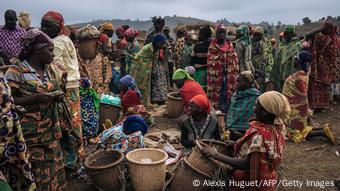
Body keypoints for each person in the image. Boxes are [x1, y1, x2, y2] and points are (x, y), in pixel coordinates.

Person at [6, 29, 66, 191]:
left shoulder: (50, 69)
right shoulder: (16, 71)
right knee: (36, 173)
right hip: (30, 136)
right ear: (37, 50)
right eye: (50, 51)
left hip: (51, 131)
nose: (52, 55)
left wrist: (58, 96)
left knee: (53, 170)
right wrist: (34, 99)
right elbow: (6, 102)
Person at [202, 91, 291, 191]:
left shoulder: (259, 136)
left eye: (255, 106)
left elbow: (245, 164)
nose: (253, 109)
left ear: (264, 112)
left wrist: (215, 155)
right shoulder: (277, 129)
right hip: (268, 180)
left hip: (248, 182)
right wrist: (236, 144)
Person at [41, 11, 83, 171]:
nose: (43, 29)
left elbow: (57, 70)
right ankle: (77, 156)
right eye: (42, 25)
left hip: (65, 87)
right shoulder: (65, 39)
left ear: (57, 27)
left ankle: (70, 161)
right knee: (74, 121)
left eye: (47, 26)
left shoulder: (55, 43)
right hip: (73, 85)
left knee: (66, 124)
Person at [282, 50, 335, 143]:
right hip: (296, 109)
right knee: (296, 130)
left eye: (296, 60)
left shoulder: (297, 77)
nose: (294, 62)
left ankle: (322, 132)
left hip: (295, 111)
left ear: (299, 62)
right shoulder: (303, 75)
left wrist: (305, 112)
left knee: (294, 134)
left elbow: (302, 96)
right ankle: (323, 129)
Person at [207, 24, 238, 113]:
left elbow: (235, 61)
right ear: (216, 34)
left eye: (223, 33)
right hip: (216, 79)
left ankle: (227, 115)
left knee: (228, 97)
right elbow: (210, 62)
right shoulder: (212, 47)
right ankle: (216, 115)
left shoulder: (231, 46)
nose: (222, 35)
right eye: (219, 33)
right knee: (218, 97)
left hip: (229, 78)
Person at [308, 22, 339, 109]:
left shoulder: (318, 38)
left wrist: (319, 30)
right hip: (327, 67)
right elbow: (333, 55)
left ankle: (315, 104)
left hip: (317, 66)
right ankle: (323, 105)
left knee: (316, 84)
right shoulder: (332, 39)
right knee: (324, 86)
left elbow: (309, 35)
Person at [132, 34, 168, 105]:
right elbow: (140, 58)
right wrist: (148, 69)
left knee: (148, 85)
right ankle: (141, 102)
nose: (163, 45)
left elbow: (154, 60)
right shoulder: (147, 48)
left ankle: (148, 101)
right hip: (141, 68)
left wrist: (153, 70)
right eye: (162, 44)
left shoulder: (157, 49)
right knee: (142, 85)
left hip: (148, 68)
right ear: (158, 43)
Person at [76, 25, 112, 94]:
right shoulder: (75, 59)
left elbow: (106, 80)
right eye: (94, 41)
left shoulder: (102, 59)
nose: (98, 43)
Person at [226, 71, 261, 141]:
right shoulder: (235, 95)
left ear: (248, 83)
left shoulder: (255, 96)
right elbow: (231, 112)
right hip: (233, 128)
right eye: (236, 81)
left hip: (248, 130)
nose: (236, 84)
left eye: (239, 82)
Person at [270, 26, 302, 91]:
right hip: (280, 75)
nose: (286, 36)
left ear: (292, 34)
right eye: (286, 34)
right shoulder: (282, 45)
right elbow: (276, 60)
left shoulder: (297, 45)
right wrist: (272, 75)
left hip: (291, 75)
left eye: (288, 34)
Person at [251, 26, 274, 91]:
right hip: (252, 67)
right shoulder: (250, 42)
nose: (256, 37)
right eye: (255, 35)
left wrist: (263, 71)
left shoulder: (264, 44)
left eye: (258, 35)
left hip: (261, 69)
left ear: (262, 36)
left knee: (259, 87)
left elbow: (266, 58)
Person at [79, 77, 100, 143]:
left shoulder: (80, 93)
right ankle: (90, 137)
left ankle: (86, 138)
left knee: (85, 120)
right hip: (91, 115)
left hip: (85, 114)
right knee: (92, 120)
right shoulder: (91, 92)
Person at [191, 26, 212, 91]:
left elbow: (192, 58)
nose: (198, 36)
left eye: (199, 34)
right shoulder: (212, 46)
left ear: (204, 35)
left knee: (198, 90)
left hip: (199, 72)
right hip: (207, 72)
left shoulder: (197, 46)